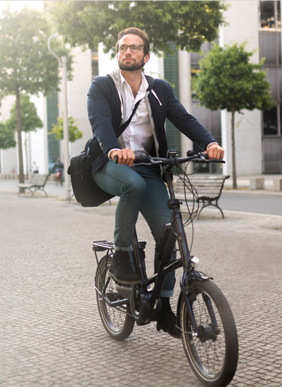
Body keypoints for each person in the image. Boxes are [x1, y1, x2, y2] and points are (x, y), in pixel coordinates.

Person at [86, 27, 225, 337]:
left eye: (135, 48)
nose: (128, 52)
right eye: (123, 47)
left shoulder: (160, 88)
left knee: (170, 234)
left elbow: (183, 118)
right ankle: (123, 255)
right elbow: (100, 123)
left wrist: (210, 143)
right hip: (110, 163)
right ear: (117, 52)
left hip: (148, 166)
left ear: (146, 56)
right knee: (132, 186)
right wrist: (113, 149)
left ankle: (163, 307)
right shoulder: (102, 86)